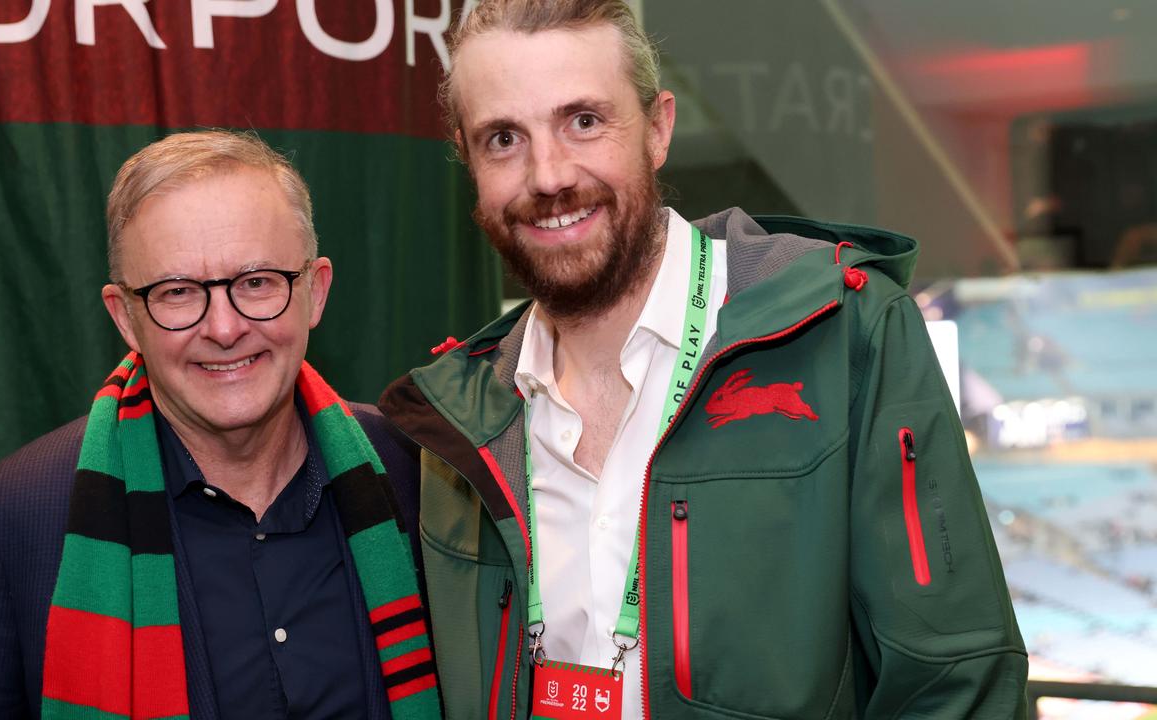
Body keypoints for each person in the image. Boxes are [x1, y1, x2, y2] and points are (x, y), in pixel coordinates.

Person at [379, 2, 1029, 718]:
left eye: (584, 121)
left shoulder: (844, 329)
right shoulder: (457, 418)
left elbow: (956, 686)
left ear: (658, 129)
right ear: (470, 165)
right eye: (504, 138)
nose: (550, 175)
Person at [0, 131, 441, 720]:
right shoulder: (3, 529)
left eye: (257, 281)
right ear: (126, 317)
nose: (224, 327)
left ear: (314, 292)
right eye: (179, 292)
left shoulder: (422, 478)